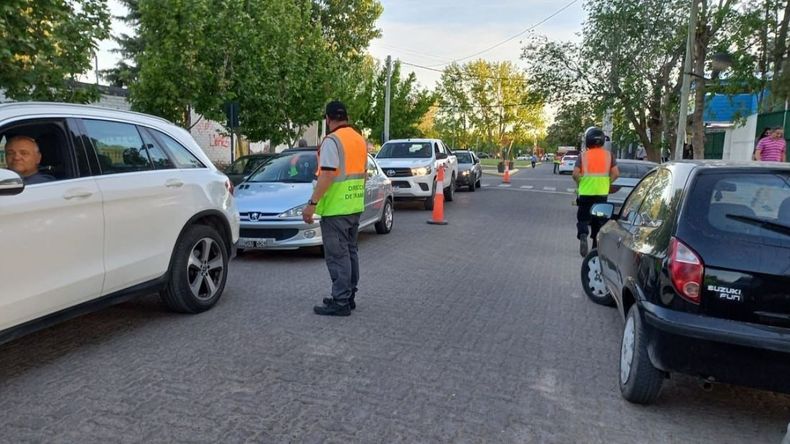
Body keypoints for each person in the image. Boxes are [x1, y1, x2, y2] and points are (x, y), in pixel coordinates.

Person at [302, 101, 367, 316]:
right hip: (354, 205)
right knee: (350, 253)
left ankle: (340, 302)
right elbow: (363, 174)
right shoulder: (359, 139)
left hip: (336, 208)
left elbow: (328, 174)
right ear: (345, 117)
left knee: (338, 256)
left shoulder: (332, 141)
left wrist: (311, 205)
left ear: (328, 119)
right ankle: (349, 297)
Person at [573, 127, 619, 257]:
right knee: (598, 220)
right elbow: (616, 173)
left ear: (588, 140)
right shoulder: (609, 156)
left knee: (582, 218)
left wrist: (580, 183)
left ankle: (583, 234)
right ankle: (594, 247)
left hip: (586, 193)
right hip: (601, 195)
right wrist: (607, 183)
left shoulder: (583, 156)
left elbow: (575, 174)